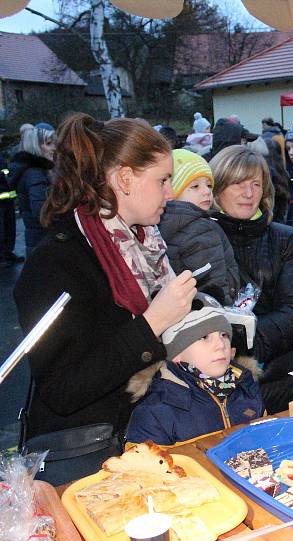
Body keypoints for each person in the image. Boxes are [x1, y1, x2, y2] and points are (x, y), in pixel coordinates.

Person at [14, 113, 196, 478]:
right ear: (125, 179)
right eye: (162, 180)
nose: (171, 193)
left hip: (147, 443)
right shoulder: (55, 264)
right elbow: (62, 390)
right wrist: (154, 322)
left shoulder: (145, 247)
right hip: (89, 465)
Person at [209, 145, 293, 412]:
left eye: (256, 184)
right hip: (214, 390)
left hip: (280, 380)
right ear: (217, 187)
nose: (248, 194)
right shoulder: (198, 241)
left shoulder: (284, 239)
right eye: (238, 183)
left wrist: (241, 341)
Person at [126, 293, 263, 445]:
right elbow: (142, 466)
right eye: (204, 337)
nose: (220, 345)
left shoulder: (246, 388)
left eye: (224, 335)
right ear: (176, 354)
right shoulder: (155, 413)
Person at [158, 149, 240, 305]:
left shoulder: (157, 225)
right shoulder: (201, 228)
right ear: (172, 191)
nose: (206, 192)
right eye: (195, 186)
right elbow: (212, 282)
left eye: (209, 185)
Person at [7, 124, 56, 255]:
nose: (54, 148)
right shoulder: (35, 174)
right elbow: (41, 212)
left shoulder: (35, 171)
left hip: (39, 242)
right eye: (49, 143)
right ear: (36, 146)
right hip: (44, 243)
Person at [0, 154, 23, 267]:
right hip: (3, 199)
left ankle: (7, 253)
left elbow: (7, 176)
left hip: (7, 199)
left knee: (9, 228)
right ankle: (2, 256)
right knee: (2, 230)